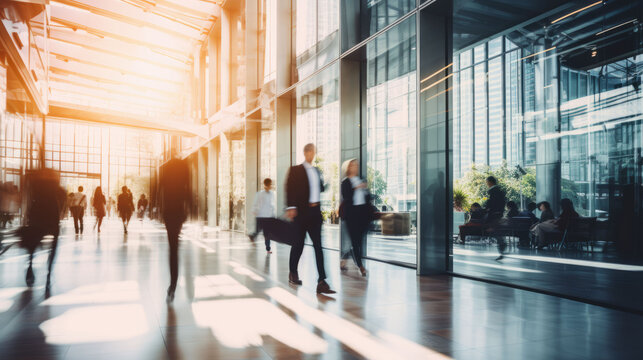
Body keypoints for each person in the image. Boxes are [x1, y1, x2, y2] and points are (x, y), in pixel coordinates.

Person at [285, 143, 335, 294]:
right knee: (298, 245)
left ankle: (322, 281)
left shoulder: (316, 171)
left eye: (313, 152)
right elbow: (289, 188)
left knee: (318, 246)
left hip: (315, 212)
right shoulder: (295, 170)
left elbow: (319, 188)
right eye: (310, 151)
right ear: (305, 153)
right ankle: (293, 272)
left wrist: (327, 182)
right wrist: (291, 207)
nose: (312, 154)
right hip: (301, 213)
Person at [160, 156, 189, 302]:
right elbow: (187, 191)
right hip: (178, 213)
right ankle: (173, 285)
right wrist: (188, 210)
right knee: (175, 249)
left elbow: (160, 191)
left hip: (169, 213)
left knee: (172, 249)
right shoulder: (184, 167)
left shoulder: (165, 170)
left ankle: (172, 286)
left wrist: (160, 211)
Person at [340, 159, 370, 276]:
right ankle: (360, 266)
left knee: (358, 241)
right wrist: (357, 188)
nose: (355, 167)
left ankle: (344, 258)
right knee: (355, 240)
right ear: (348, 167)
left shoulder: (361, 179)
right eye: (353, 165)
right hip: (351, 215)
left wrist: (365, 190)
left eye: (357, 165)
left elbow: (367, 197)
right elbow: (346, 196)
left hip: (362, 213)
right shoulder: (346, 182)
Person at [249, 178, 275, 253]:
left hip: (268, 217)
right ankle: (252, 236)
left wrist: (273, 215)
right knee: (257, 231)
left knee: (267, 233)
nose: (271, 186)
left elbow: (272, 205)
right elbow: (255, 203)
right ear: (266, 185)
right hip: (260, 216)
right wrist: (254, 211)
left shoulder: (272, 194)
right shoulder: (259, 193)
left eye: (271, 184)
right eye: (270, 184)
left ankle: (268, 249)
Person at [483, 176, 507, 260]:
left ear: (490, 182)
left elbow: (492, 203)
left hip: (494, 214)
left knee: (495, 230)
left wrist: (488, 209)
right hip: (497, 213)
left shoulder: (493, 191)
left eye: (487, 182)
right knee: (495, 230)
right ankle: (501, 248)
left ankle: (502, 245)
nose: (486, 184)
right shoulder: (499, 190)